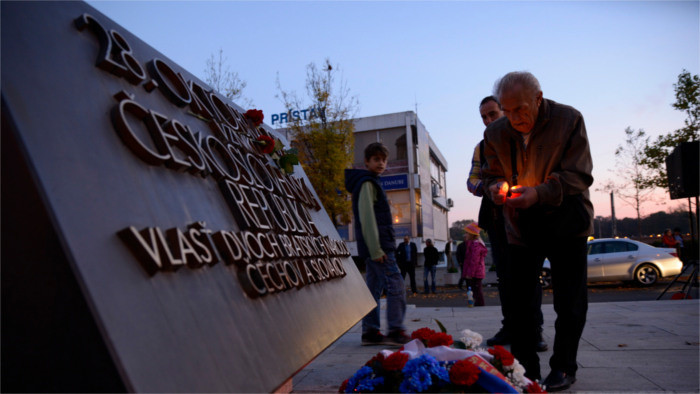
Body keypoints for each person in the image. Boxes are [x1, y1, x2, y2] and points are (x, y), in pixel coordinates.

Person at [482, 71, 594, 391]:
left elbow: (579, 175)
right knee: (520, 302)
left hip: (567, 220)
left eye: (520, 109)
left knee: (569, 300)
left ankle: (563, 367)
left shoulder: (569, 120)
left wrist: (540, 193)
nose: (514, 118)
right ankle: (525, 368)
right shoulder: (496, 133)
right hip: (521, 224)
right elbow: (488, 176)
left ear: (538, 98)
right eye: (507, 110)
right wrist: (496, 189)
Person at [469, 96, 547, 352]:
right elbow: (471, 180)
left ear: (506, 111)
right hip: (496, 216)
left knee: (529, 273)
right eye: (484, 117)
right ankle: (510, 326)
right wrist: (489, 187)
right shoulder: (482, 146)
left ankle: (534, 330)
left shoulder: (527, 138)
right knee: (505, 275)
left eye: (493, 114)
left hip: (527, 215)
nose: (489, 120)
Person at [345, 142, 410, 346]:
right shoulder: (367, 183)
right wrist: (376, 249)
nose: (381, 163)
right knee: (396, 285)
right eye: (376, 159)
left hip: (377, 246)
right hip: (379, 248)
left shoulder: (371, 182)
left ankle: (370, 332)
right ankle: (395, 330)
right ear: (366, 161)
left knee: (373, 288)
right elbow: (367, 218)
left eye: (383, 160)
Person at [461, 222, 488, 306]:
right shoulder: (472, 244)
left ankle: (480, 304)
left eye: (467, 233)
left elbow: (474, 262)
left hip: (476, 273)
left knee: (477, 291)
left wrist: (470, 274)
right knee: (475, 290)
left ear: (472, 234)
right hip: (476, 272)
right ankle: (478, 303)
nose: (465, 235)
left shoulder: (475, 246)